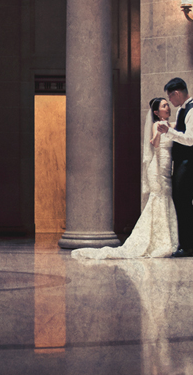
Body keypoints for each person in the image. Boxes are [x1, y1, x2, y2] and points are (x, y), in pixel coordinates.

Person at [71, 97, 179, 260]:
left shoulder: (171, 125)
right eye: (164, 106)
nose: (168, 108)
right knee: (158, 198)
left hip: (166, 167)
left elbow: (182, 130)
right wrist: (157, 134)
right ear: (156, 112)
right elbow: (155, 143)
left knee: (166, 198)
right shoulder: (157, 124)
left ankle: (167, 239)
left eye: (168, 105)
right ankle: (158, 241)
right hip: (156, 168)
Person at [156, 78, 193, 257]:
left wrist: (169, 131)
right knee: (181, 203)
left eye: (170, 97)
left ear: (176, 93)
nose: (170, 101)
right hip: (183, 162)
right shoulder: (183, 111)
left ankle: (189, 246)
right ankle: (189, 243)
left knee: (183, 203)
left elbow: (190, 140)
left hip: (189, 163)